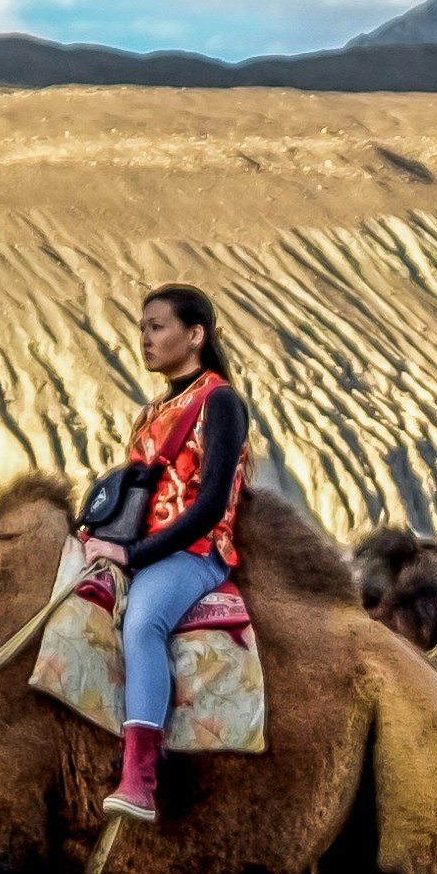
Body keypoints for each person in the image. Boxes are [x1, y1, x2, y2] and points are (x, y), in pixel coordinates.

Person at [97, 283, 249, 831]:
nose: (145, 338)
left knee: (143, 623)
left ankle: (141, 777)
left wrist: (134, 552)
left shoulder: (220, 402)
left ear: (195, 335)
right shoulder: (153, 410)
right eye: (142, 327)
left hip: (196, 552)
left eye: (157, 326)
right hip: (145, 549)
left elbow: (209, 505)